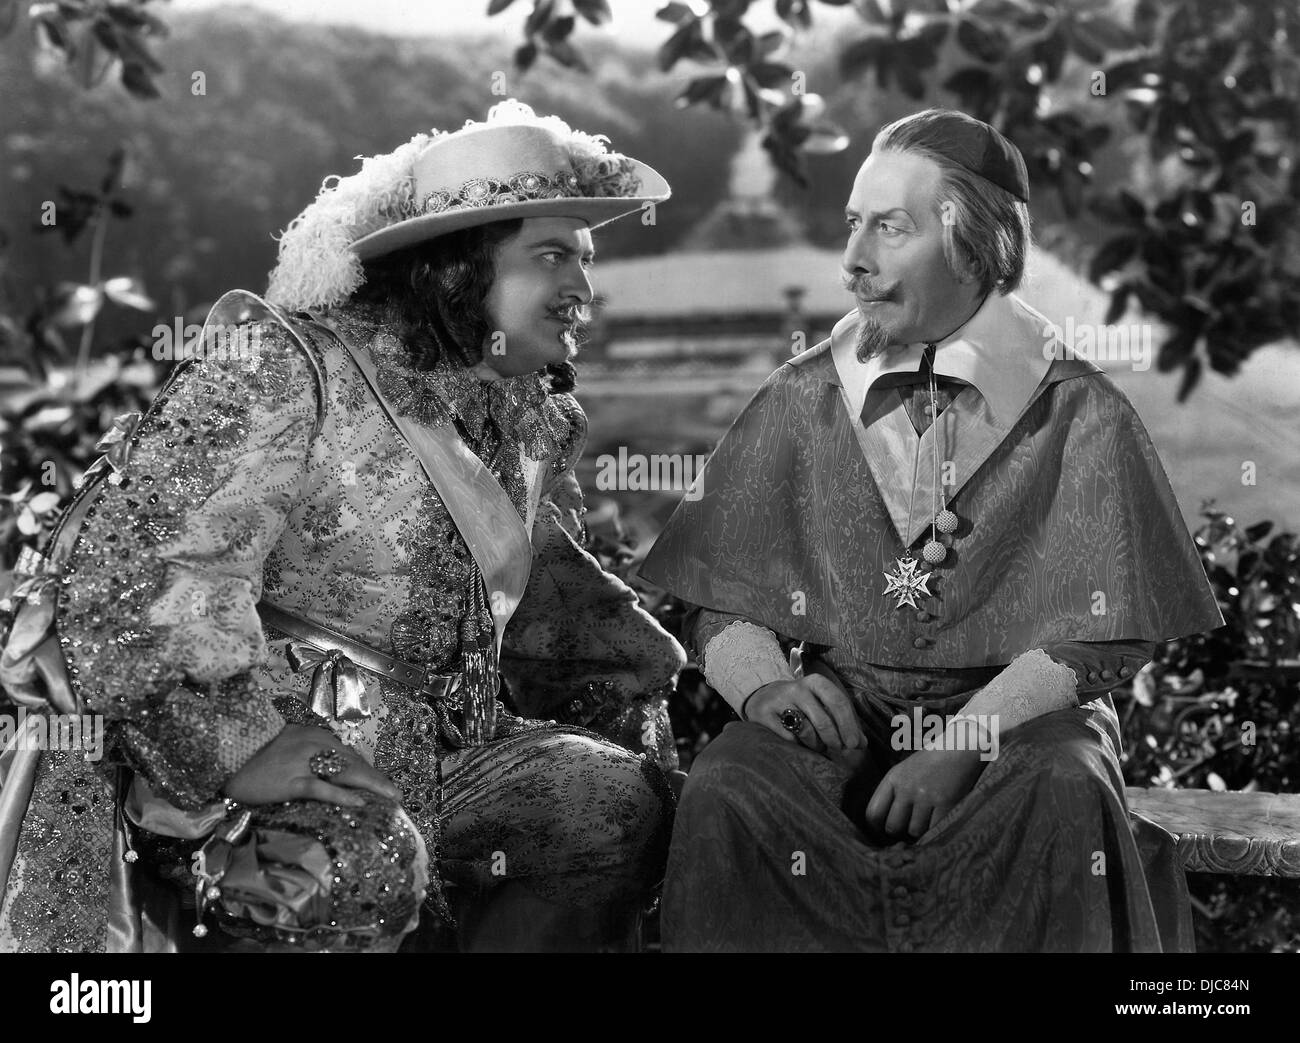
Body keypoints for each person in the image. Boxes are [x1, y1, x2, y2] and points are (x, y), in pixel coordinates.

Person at [0, 101, 685, 953]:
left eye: (585, 260)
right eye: (551, 257)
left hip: (442, 764)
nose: (582, 290)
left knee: (614, 805)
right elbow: (137, 571)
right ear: (457, 266)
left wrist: (639, 669)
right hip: (262, 771)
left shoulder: (521, 413)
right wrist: (240, 747)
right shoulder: (291, 365)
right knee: (355, 860)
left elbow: (528, 586)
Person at [640, 108, 1224, 952]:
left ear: (974, 244)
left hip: (1022, 733)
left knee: (1064, 785)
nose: (852, 261)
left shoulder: (1078, 412)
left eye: (890, 228)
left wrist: (963, 740)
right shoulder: (803, 398)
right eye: (852, 225)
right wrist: (764, 685)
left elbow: (1110, 634)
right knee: (729, 781)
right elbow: (725, 598)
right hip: (844, 719)